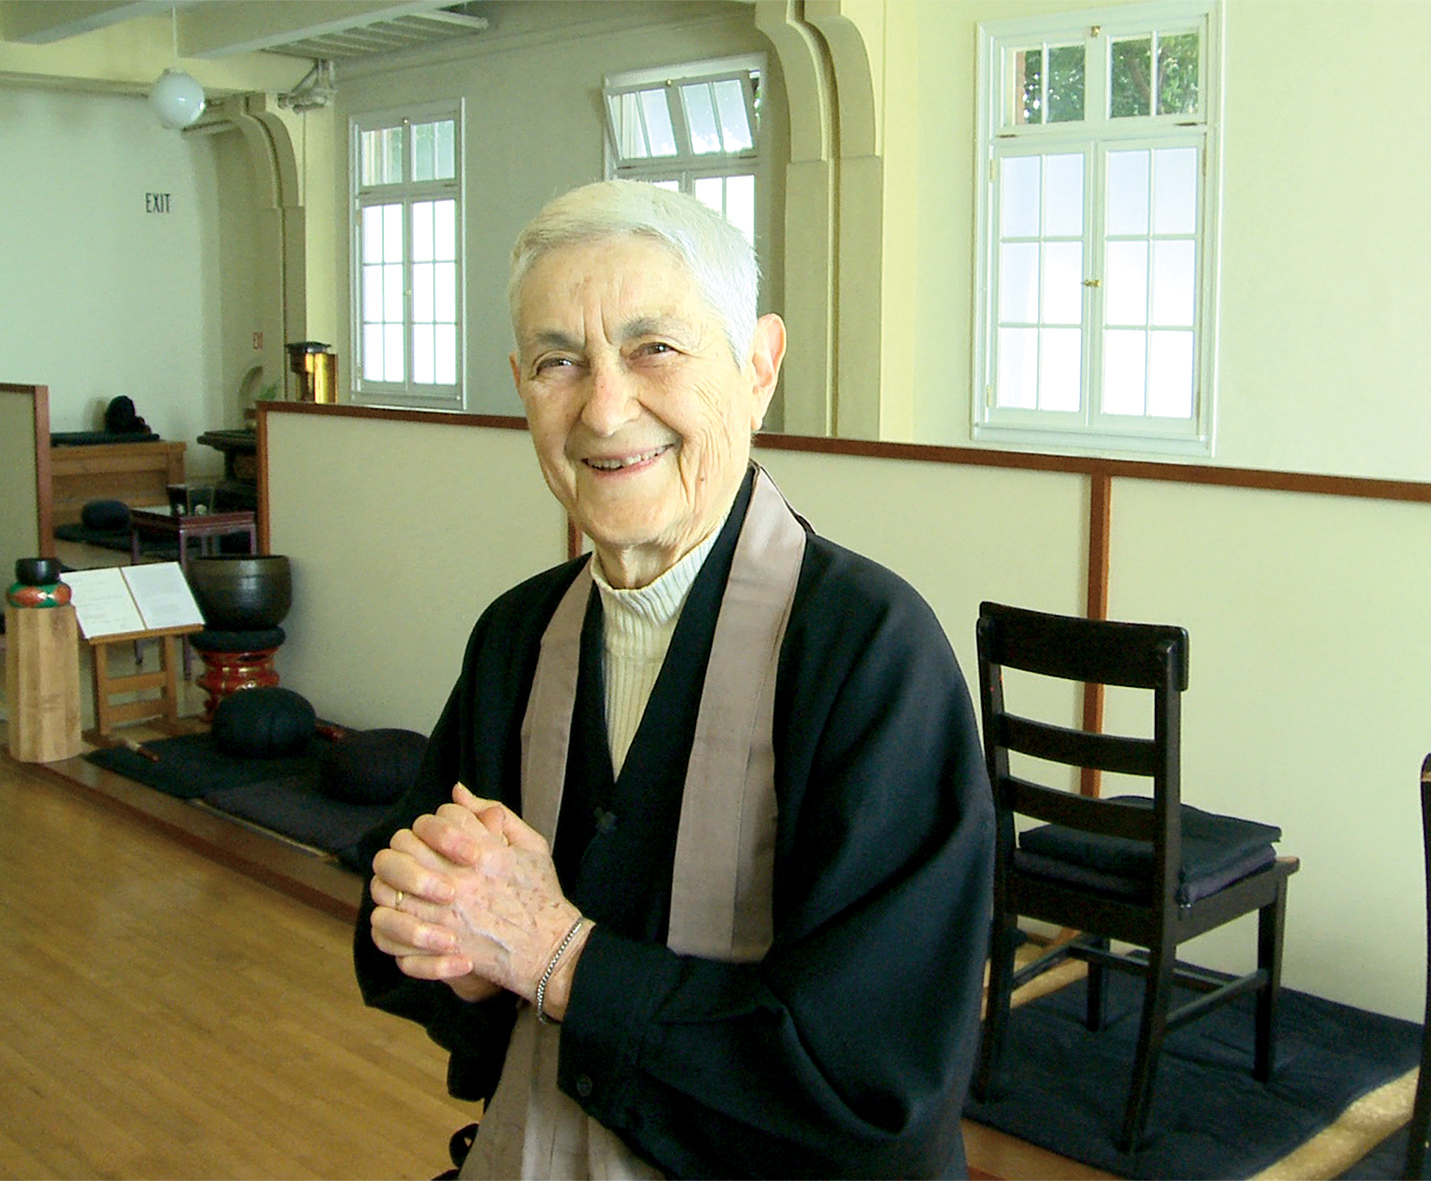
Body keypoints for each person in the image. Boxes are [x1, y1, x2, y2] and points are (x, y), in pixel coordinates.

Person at [353, 179, 994, 1179]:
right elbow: (423, 942)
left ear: (759, 366)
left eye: (654, 347)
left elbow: (876, 1083)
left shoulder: (870, 650)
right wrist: (449, 942)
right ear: (521, 385)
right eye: (559, 362)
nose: (605, 409)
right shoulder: (518, 637)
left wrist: (557, 955)